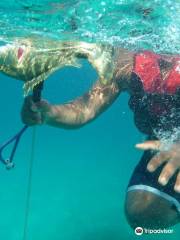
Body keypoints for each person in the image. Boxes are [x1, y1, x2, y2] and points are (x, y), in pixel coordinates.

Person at [0, 38, 180, 229]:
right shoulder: (127, 64)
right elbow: (86, 109)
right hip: (164, 142)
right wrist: (49, 113)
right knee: (144, 214)